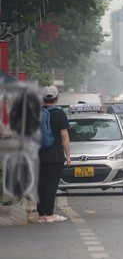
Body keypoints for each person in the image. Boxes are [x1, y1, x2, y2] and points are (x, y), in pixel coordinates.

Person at [37, 86, 71, 223]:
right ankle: (50, 215)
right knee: (51, 184)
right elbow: (64, 136)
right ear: (57, 98)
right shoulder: (60, 114)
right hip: (55, 155)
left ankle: (41, 215)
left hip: (38, 155)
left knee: (41, 184)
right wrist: (68, 155)